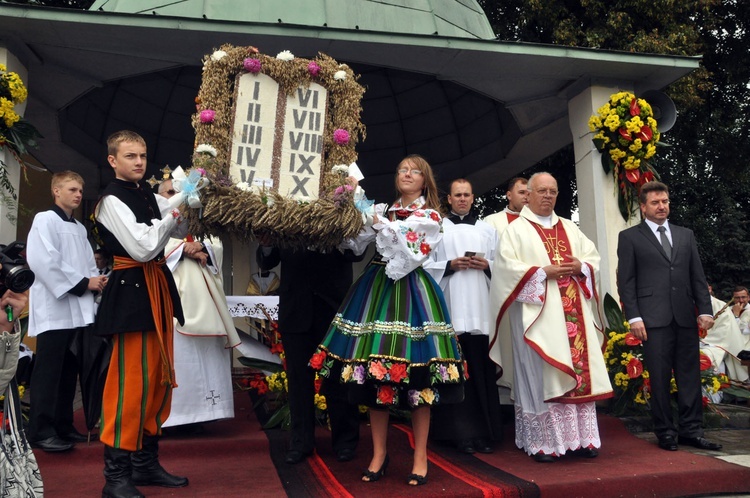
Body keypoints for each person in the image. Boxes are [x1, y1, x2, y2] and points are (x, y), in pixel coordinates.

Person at [310, 154, 465, 486]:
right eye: (401, 171)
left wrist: (376, 220)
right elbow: (355, 242)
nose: (406, 175)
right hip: (376, 290)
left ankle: (420, 456)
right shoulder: (383, 209)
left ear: (425, 180)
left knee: (419, 380)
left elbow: (411, 250)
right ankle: (379, 454)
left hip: (413, 295)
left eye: (414, 171)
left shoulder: (430, 215)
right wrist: (353, 212)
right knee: (374, 376)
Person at [489, 172, 612, 463]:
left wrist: (581, 266)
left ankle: (582, 439)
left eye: (552, 191)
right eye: (541, 191)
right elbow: (505, 271)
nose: (547, 196)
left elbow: (593, 259)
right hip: (537, 319)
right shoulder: (516, 231)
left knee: (579, 371)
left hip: (574, 315)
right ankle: (544, 442)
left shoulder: (570, 227)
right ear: (527, 195)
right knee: (540, 374)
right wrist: (542, 273)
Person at [94, 130, 190, 498]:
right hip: (132, 294)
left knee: (156, 380)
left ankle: (144, 464)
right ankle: (115, 477)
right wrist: (178, 210)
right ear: (112, 160)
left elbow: (175, 219)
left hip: (154, 292)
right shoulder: (109, 201)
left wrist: (197, 186)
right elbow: (145, 247)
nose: (138, 162)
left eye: (143, 156)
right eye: (130, 156)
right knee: (130, 385)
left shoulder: (145, 195)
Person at [617, 180, 722, 452]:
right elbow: (626, 282)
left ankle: (691, 431)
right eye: (655, 202)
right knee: (660, 378)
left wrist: (706, 310)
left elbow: (697, 276)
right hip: (652, 320)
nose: (662, 206)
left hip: (685, 316)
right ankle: (664, 431)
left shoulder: (685, 234)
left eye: (665, 201)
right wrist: (634, 318)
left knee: (690, 376)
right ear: (643, 207)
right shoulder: (629, 237)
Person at [254, 242, 362, 466]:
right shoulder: (287, 210)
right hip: (296, 308)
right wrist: (266, 240)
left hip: (333, 306)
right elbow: (267, 259)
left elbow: (355, 253)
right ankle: (300, 442)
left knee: (338, 378)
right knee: (298, 380)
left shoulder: (339, 208)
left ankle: (345, 442)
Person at [26, 170, 108, 453]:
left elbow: (87, 263)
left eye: (80, 191)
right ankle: (40, 430)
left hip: (76, 307)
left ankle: (62, 425)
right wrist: (85, 283)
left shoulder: (80, 228)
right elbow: (43, 261)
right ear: (56, 191)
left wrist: (95, 282)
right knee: (48, 371)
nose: (77, 195)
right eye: (72, 189)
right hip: (54, 307)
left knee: (67, 371)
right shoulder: (44, 220)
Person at [424, 178, 502, 454]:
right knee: (456, 373)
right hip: (452, 308)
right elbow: (424, 266)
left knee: (480, 371)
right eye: (457, 195)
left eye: (467, 195)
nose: (462, 199)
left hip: (480, 311)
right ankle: (458, 434)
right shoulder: (437, 228)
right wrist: (449, 265)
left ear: (473, 197)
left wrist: (487, 264)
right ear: (449, 199)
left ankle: (485, 434)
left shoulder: (488, 230)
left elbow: (502, 265)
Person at [158, 179, 241, 431]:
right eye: (171, 192)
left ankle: (206, 413)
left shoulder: (200, 218)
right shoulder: (157, 218)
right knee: (179, 356)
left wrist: (201, 245)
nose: (178, 196)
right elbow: (149, 243)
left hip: (205, 300)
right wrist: (183, 247)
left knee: (205, 354)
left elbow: (216, 244)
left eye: (180, 191)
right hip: (173, 299)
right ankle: (175, 417)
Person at [701, 284, 749, 385]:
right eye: (737, 297)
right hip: (729, 343)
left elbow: (741, 331)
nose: (740, 300)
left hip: (745, 344)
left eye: (743, 297)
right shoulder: (727, 309)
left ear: (748, 297)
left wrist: (735, 316)